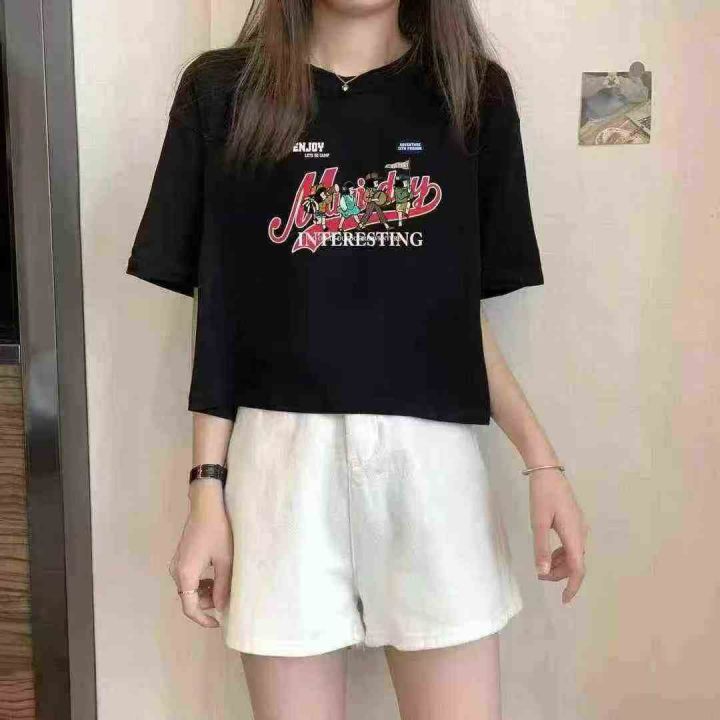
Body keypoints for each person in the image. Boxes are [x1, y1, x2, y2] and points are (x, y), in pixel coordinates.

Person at [125, 1, 588, 718]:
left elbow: (457, 318)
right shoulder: (223, 93)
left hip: (431, 465)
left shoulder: (472, 95)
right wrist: (206, 491)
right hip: (280, 467)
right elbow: (221, 314)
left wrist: (542, 463)